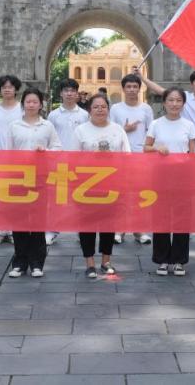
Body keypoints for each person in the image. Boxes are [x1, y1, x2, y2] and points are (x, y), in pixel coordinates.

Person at [137, 68, 195, 243]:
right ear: (192, 84)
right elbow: (161, 90)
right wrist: (142, 78)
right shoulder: (184, 99)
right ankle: (184, 227)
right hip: (182, 158)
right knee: (182, 196)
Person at [70, 93, 130, 278]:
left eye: (103, 106)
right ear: (89, 110)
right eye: (95, 107)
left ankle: (106, 261)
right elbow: (73, 158)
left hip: (111, 184)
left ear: (108, 109)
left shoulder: (118, 130)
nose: (100, 110)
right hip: (87, 185)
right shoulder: (81, 130)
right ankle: (89, 263)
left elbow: (127, 155)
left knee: (108, 224)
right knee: (86, 224)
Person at [7, 87, 61, 278]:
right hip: (19, 178)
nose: (31, 105)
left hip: (40, 178)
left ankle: (37, 263)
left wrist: (46, 151)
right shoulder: (14, 126)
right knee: (19, 221)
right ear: (23, 104)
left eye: (35, 102)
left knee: (38, 221)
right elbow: (8, 152)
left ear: (40, 105)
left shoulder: (47, 126)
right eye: (28, 101)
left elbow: (57, 148)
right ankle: (19, 263)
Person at [145, 87, 195, 276]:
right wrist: (157, 148)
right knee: (161, 217)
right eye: (171, 100)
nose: (174, 104)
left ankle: (179, 260)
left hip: (183, 177)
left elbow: (194, 153)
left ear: (183, 104)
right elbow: (145, 148)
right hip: (160, 176)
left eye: (178, 100)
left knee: (182, 218)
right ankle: (162, 259)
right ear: (164, 102)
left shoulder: (189, 125)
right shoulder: (156, 124)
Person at [110, 73, 155, 245]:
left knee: (139, 195)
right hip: (120, 157)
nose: (131, 90)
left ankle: (139, 230)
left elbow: (151, 133)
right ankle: (119, 230)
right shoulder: (116, 109)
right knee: (120, 195)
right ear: (123, 89)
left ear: (139, 88)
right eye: (128, 86)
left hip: (140, 157)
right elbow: (110, 131)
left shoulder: (146, 109)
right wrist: (124, 129)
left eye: (135, 86)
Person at [46, 78, 90, 246]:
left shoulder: (84, 115)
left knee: (80, 198)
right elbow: (49, 137)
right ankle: (52, 230)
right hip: (59, 163)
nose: (70, 94)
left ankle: (81, 230)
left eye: (73, 90)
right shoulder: (53, 115)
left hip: (79, 162)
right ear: (61, 93)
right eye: (66, 90)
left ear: (77, 93)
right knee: (56, 199)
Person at [0, 74, 24, 246]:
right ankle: (0, 230)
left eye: (10, 87)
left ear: (16, 89)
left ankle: (15, 230)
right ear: (0, 90)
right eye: (4, 87)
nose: (7, 90)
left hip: (19, 159)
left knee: (17, 195)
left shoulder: (23, 109)